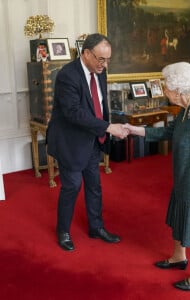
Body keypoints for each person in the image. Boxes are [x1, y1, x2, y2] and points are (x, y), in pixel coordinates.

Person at [124, 62, 190, 291]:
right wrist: (134, 130)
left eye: (165, 85)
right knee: (181, 214)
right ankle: (178, 257)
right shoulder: (187, 109)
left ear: (178, 89)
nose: (163, 89)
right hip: (185, 174)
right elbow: (167, 132)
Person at [46, 33, 129, 251]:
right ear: (86, 53)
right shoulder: (67, 75)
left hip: (92, 138)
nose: (105, 64)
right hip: (70, 141)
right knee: (72, 186)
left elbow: (100, 105)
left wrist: (105, 129)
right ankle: (63, 230)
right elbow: (74, 112)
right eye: (101, 59)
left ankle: (96, 227)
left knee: (94, 186)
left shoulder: (99, 71)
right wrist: (108, 127)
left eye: (108, 59)